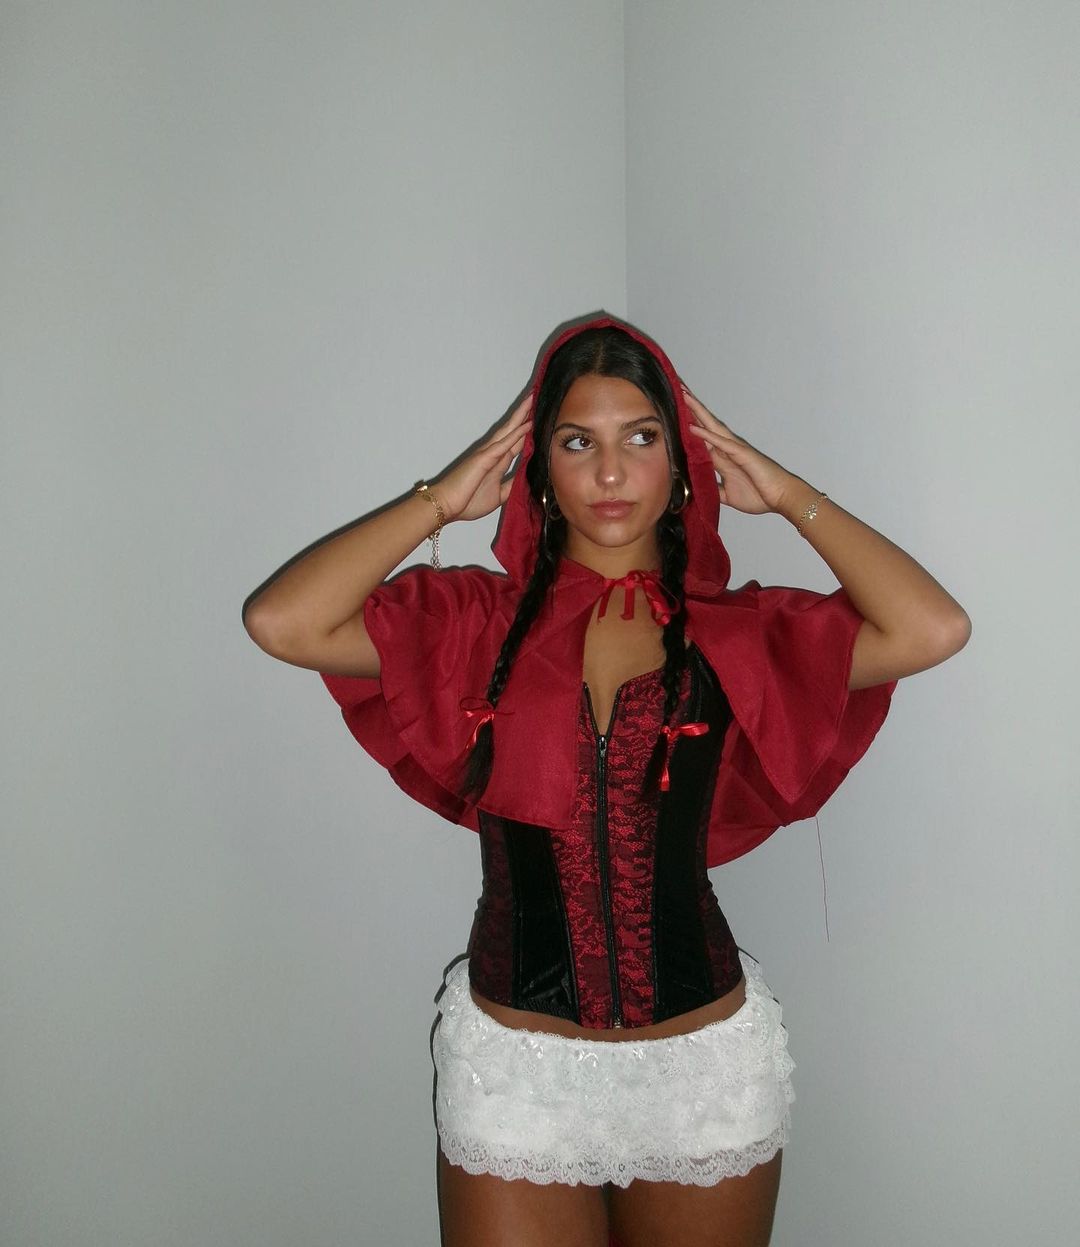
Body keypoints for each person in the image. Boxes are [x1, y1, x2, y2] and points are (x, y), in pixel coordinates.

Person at [243, 314, 970, 1247]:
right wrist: (441, 498)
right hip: (516, 1076)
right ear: (540, 467)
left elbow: (932, 627)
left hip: (701, 1069)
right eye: (578, 442)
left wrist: (787, 492)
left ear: (682, 462)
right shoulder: (477, 623)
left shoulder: (734, 632)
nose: (613, 473)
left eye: (642, 437)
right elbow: (283, 621)